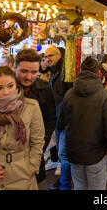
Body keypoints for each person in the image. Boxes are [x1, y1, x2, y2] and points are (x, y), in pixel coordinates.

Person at [58, 57, 107, 190]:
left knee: (79, 186)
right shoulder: (104, 96)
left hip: (75, 151)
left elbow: (61, 123)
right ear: (98, 72)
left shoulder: (69, 94)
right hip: (96, 153)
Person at [14, 49, 56, 183]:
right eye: (24, 71)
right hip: (6, 154)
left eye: (33, 72)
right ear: (15, 68)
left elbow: (50, 119)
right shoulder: (3, 87)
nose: (28, 77)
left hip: (34, 152)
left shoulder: (44, 88)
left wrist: (40, 146)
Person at [44, 46, 73, 190]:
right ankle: (64, 180)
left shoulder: (65, 72)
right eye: (45, 56)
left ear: (59, 55)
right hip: (58, 118)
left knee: (64, 153)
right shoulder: (55, 71)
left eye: (50, 56)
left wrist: (64, 118)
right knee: (63, 154)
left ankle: (65, 184)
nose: (47, 59)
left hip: (65, 120)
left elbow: (68, 98)